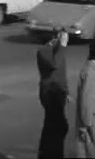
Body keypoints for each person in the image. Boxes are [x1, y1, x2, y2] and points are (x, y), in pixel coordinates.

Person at [36, 28, 70, 159]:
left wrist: (66, 91)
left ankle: (46, 153)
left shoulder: (57, 50)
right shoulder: (43, 50)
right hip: (51, 92)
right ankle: (51, 153)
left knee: (53, 125)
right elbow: (55, 64)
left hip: (58, 91)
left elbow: (62, 72)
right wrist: (62, 45)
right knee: (58, 126)